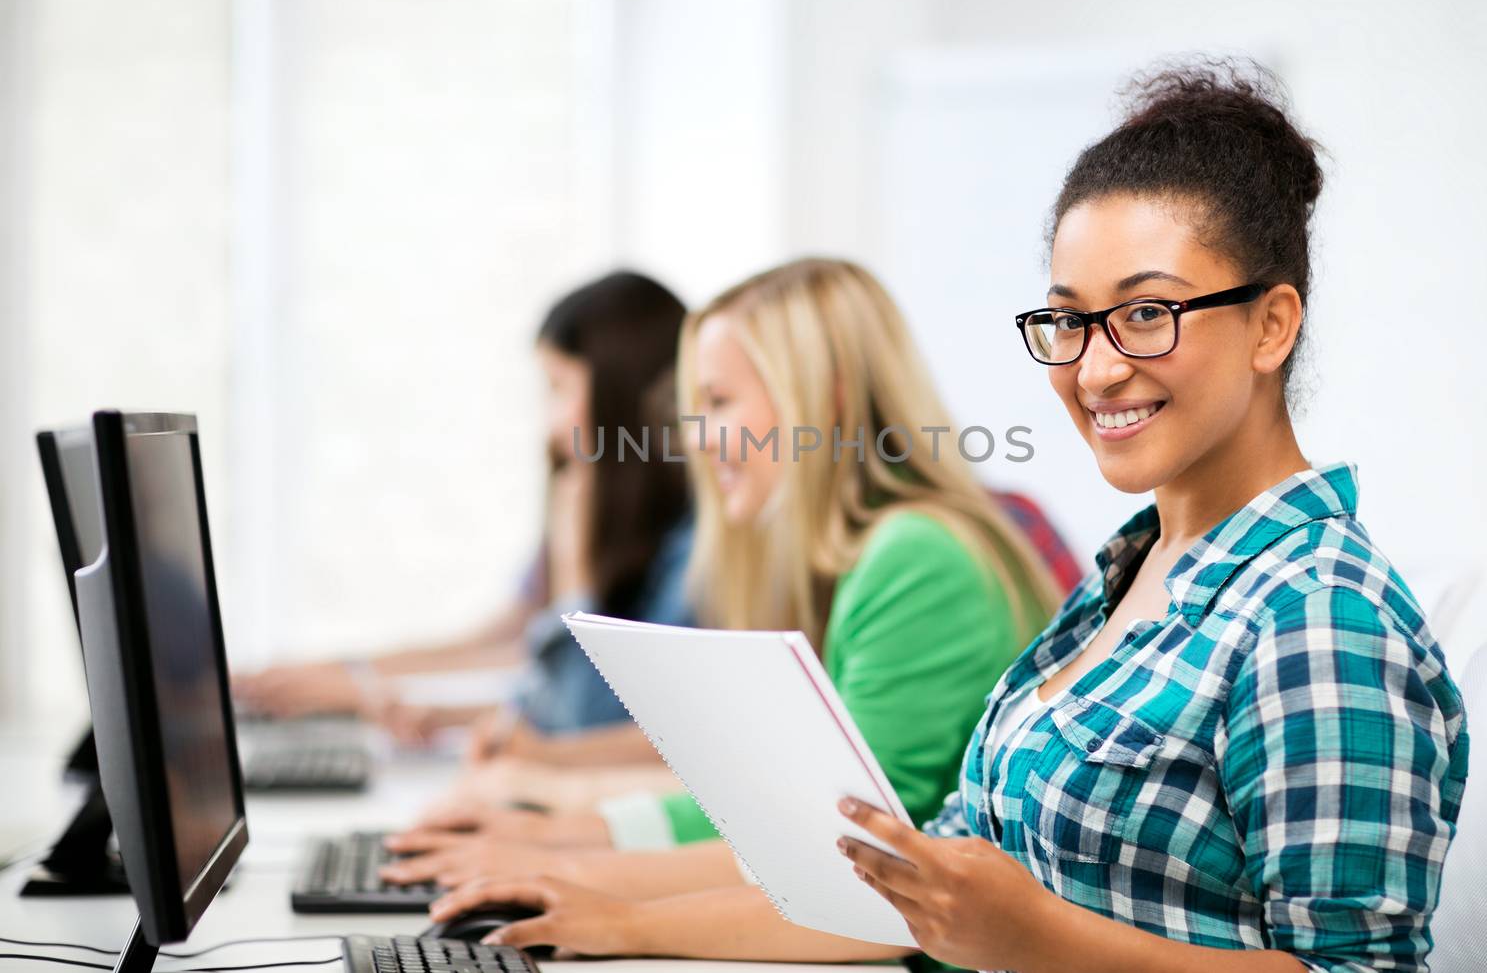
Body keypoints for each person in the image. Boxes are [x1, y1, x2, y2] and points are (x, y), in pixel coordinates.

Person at [422, 60, 1470, 972]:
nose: (1096, 365)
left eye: (1147, 313)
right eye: (1066, 318)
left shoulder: (1318, 617)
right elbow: (915, 889)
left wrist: (1030, 934)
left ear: (1270, 324)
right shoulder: (1126, 583)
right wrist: (613, 918)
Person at [379, 260, 1058, 937]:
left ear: (828, 398)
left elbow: (851, 858)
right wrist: (558, 843)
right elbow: (767, 815)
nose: (695, 439)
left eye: (719, 401)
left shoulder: (918, 557)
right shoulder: (850, 558)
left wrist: (599, 895)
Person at [233, 270, 697, 739]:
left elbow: (586, 713)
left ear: (618, 397)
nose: (550, 427)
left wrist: (576, 572)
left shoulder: (688, 550)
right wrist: (345, 674)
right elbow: (516, 640)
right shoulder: (593, 510)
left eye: (558, 388)